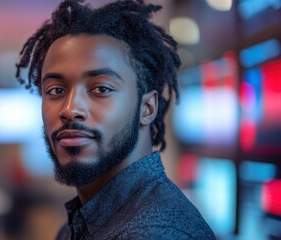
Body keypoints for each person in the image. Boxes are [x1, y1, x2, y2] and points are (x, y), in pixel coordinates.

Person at [16, 0, 216, 239]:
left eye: (101, 89)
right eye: (56, 91)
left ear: (147, 107)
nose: (70, 110)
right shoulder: (82, 224)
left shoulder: (152, 233)